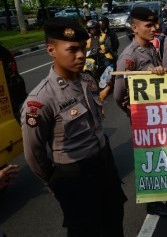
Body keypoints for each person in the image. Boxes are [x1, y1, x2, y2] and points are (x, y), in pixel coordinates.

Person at [21, 17, 126, 236]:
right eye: (71, 50)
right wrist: (53, 179)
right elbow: (33, 152)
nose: (80, 55)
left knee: (114, 221)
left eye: (82, 48)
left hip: (104, 164)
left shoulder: (87, 80)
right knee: (86, 231)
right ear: (51, 50)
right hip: (75, 177)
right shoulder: (41, 100)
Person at [113, 7, 167, 217]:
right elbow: (119, 95)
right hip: (143, 118)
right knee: (148, 158)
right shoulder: (128, 58)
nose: (154, 28)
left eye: (155, 24)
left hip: (158, 114)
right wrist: (133, 113)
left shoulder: (150, 48)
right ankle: (153, 202)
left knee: (160, 156)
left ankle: (162, 192)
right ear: (134, 28)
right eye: (148, 25)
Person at [84, 20, 115, 101]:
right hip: (92, 57)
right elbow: (85, 48)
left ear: (97, 28)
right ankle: (89, 81)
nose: (91, 30)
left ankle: (109, 82)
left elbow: (109, 46)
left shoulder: (104, 36)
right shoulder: (88, 39)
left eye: (93, 29)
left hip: (103, 56)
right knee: (86, 65)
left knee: (108, 63)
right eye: (90, 29)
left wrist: (101, 50)